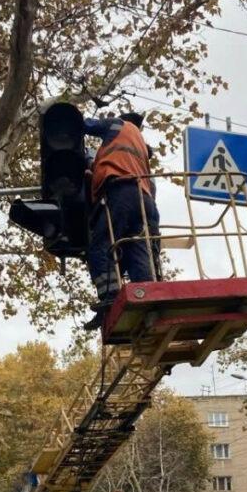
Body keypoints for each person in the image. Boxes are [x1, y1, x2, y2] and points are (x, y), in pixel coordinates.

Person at [82, 112, 161, 330]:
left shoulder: (118, 125)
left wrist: (64, 119)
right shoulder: (141, 148)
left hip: (120, 192)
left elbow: (85, 124)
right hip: (144, 201)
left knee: (101, 246)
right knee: (135, 247)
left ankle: (110, 298)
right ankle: (148, 297)